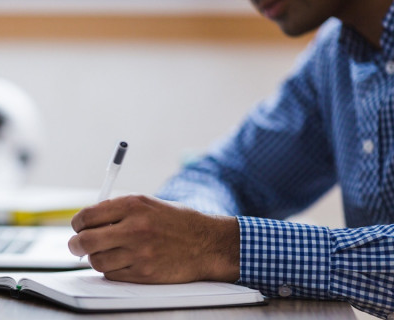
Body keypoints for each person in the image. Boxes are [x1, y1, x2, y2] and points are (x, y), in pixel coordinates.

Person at [67, 0, 394, 318]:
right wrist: (186, 231)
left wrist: (219, 246)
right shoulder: (335, 55)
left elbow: (213, 236)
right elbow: (225, 174)